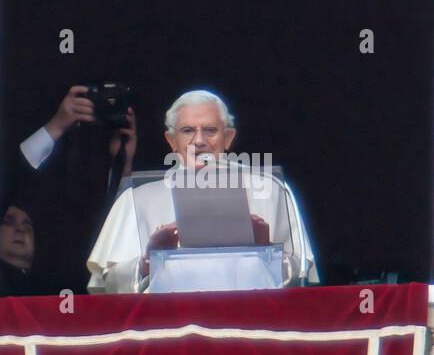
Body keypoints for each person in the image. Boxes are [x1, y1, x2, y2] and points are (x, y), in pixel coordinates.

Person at [86, 89, 317, 294]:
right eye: (187, 130)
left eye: (210, 130)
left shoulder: (270, 190)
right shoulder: (137, 199)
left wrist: (267, 252)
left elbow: (303, 276)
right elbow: (106, 284)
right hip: (166, 327)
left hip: (248, 322)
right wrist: (148, 261)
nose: (199, 141)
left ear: (228, 138)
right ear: (171, 141)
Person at [0, 85, 137, 295]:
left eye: (28, 225)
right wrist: (58, 124)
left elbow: (115, 230)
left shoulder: (51, 286)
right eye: (8, 221)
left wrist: (123, 164)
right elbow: (11, 177)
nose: (20, 231)